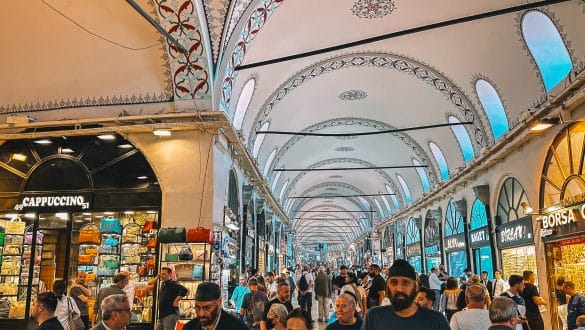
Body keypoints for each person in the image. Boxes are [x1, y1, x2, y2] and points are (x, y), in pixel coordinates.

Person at [362, 259, 449, 330]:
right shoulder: (374, 316)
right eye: (393, 282)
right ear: (387, 286)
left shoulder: (436, 321)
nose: (399, 289)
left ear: (416, 287)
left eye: (406, 283)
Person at [182, 282, 247, 330]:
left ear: (219, 302)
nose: (201, 314)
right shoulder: (189, 328)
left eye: (207, 308)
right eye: (197, 308)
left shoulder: (237, 327)